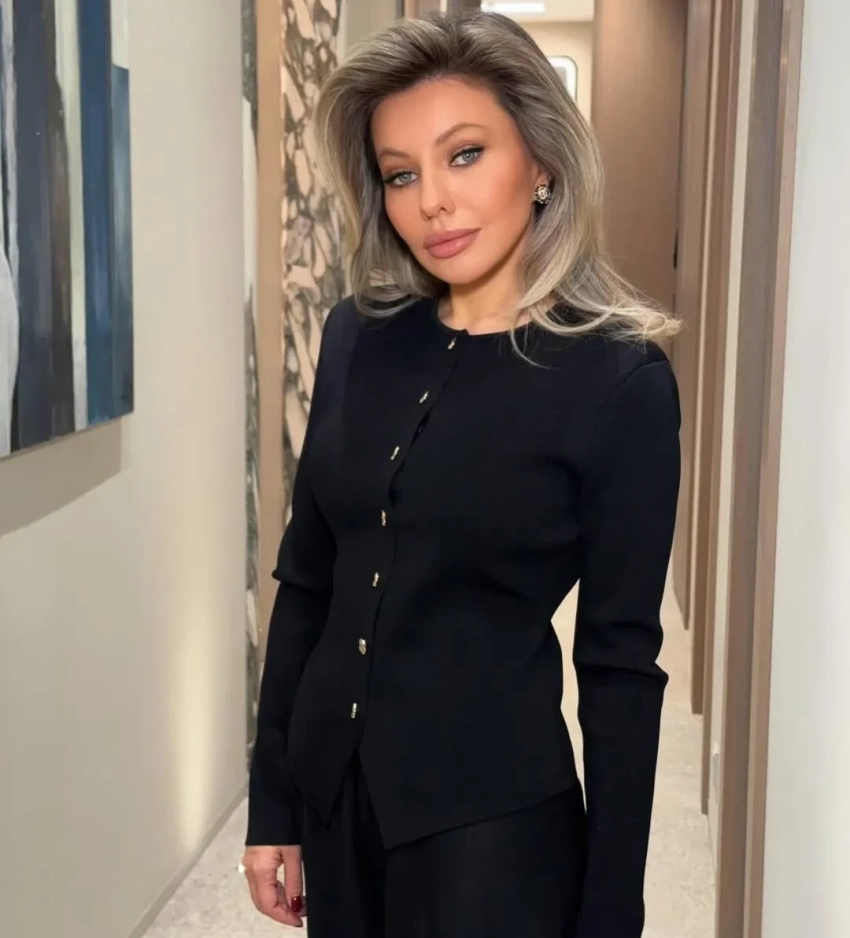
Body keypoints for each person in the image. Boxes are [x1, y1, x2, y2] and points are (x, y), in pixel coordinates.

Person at [241, 10, 681, 938]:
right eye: (401, 173)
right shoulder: (356, 336)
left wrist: (611, 912)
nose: (432, 201)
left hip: (491, 828)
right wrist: (274, 801)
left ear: (543, 161)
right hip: (335, 803)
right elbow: (309, 582)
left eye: (465, 155)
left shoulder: (617, 380)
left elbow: (619, 666)